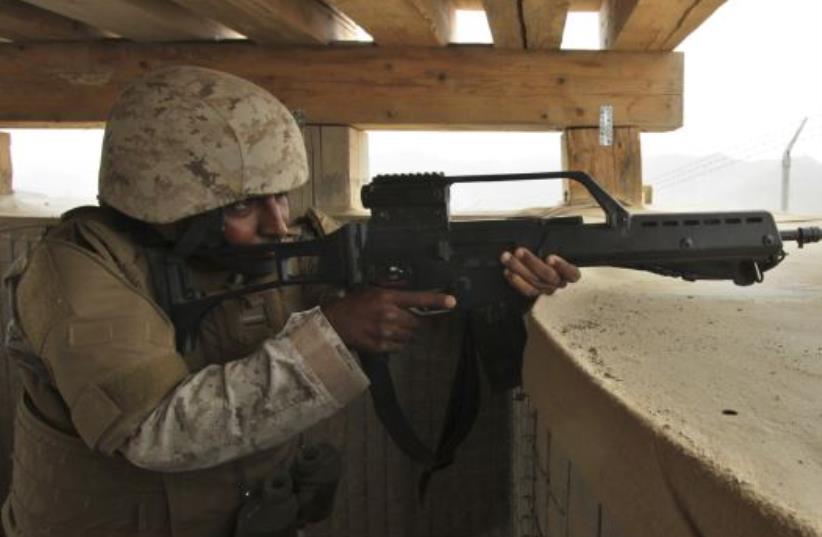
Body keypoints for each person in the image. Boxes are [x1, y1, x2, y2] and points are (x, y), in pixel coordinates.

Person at [0, 65, 581, 537]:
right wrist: (335, 334)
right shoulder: (76, 268)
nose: (281, 224)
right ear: (170, 209)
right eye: (243, 207)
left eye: (280, 195)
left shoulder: (287, 239)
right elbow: (156, 432)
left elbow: (394, 282)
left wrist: (504, 281)